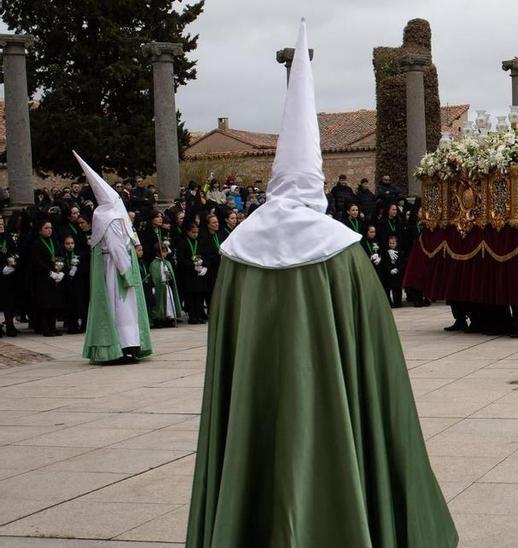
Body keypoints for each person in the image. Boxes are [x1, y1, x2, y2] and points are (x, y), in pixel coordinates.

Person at [186, 22, 456, 548]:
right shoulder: (344, 254)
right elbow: (379, 368)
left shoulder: (237, 253)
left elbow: (226, 351)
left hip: (257, 423)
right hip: (338, 433)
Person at [75, 152, 153, 363]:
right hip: (117, 268)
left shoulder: (101, 216)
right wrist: (126, 272)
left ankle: (125, 346)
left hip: (109, 267)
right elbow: (118, 247)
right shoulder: (111, 217)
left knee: (118, 307)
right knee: (123, 309)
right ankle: (125, 346)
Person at [31, 221, 65, 337]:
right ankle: (45, 328)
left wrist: (60, 271)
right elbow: (36, 260)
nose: (49, 230)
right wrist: (49, 272)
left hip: (56, 275)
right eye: (46, 228)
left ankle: (53, 327)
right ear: (40, 230)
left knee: (55, 303)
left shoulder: (54, 241)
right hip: (43, 277)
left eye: (50, 228)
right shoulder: (36, 243)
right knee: (45, 304)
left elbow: (60, 255)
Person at [149, 240, 182, 328]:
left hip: (167, 286)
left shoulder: (167, 263)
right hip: (159, 287)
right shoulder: (154, 264)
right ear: (157, 252)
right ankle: (159, 319)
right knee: (159, 303)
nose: (165, 254)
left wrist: (169, 276)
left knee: (168, 303)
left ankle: (168, 318)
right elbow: (154, 276)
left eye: (165, 251)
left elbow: (171, 276)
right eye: (163, 252)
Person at [379, 234, 407, 308]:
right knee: (388, 289)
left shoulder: (400, 252)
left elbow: (403, 262)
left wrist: (397, 268)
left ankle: (398, 303)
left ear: (396, 243)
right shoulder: (386, 253)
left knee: (397, 289)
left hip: (397, 274)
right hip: (388, 274)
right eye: (390, 243)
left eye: (393, 243)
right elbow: (384, 263)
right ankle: (389, 303)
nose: (391, 245)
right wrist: (390, 269)